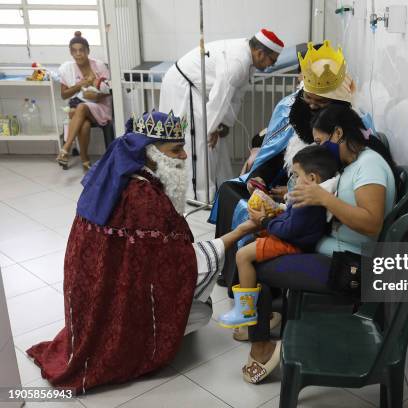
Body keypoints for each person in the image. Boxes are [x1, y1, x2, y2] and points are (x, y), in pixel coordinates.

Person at [27, 111, 249, 393]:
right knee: (202, 313)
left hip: (92, 304)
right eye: (175, 149)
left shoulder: (112, 178)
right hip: (120, 303)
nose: (183, 156)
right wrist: (238, 234)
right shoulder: (143, 197)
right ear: (150, 154)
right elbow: (178, 265)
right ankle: (135, 345)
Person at [240, 104, 397, 384]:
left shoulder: (369, 165)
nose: (320, 148)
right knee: (263, 247)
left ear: (338, 133)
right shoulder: (353, 164)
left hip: (352, 268)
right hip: (335, 252)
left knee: (258, 266)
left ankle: (261, 343)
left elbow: (372, 223)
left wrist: (322, 198)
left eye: (322, 141)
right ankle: (266, 323)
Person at [209, 40, 373, 289]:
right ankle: (229, 273)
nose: (311, 107)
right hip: (285, 182)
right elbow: (274, 152)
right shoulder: (291, 109)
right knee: (230, 190)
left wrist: (291, 192)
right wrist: (260, 177)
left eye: (320, 103)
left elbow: (326, 182)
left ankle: (254, 287)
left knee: (247, 212)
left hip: (301, 203)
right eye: (308, 99)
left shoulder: (341, 140)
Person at [217, 145, 340, 329]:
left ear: (312, 178)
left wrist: (265, 220)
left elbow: (288, 230)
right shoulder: (311, 197)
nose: (294, 180)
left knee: (243, 255)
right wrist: (275, 211)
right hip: (293, 239)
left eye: (297, 175)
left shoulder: (307, 202)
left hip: (291, 244)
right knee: (251, 243)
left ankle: (245, 311)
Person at [159, 29, 284, 201]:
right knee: (199, 141)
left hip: (197, 89)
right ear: (260, 53)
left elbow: (236, 95)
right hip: (183, 85)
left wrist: (223, 125)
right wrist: (212, 128)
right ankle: (197, 195)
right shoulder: (238, 61)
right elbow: (220, 96)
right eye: (273, 60)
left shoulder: (248, 61)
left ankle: (218, 188)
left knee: (213, 143)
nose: (273, 65)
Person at [56, 31, 113, 170]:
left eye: (81, 50)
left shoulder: (98, 66)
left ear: (88, 51)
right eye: (74, 51)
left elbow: (109, 89)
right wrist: (80, 85)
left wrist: (96, 96)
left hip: (100, 107)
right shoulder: (68, 69)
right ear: (71, 53)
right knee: (84, 124)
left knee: (80, 108)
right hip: (81, 110)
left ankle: (65, 149)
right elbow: (64, 95)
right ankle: (85, 161)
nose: (78, 54)